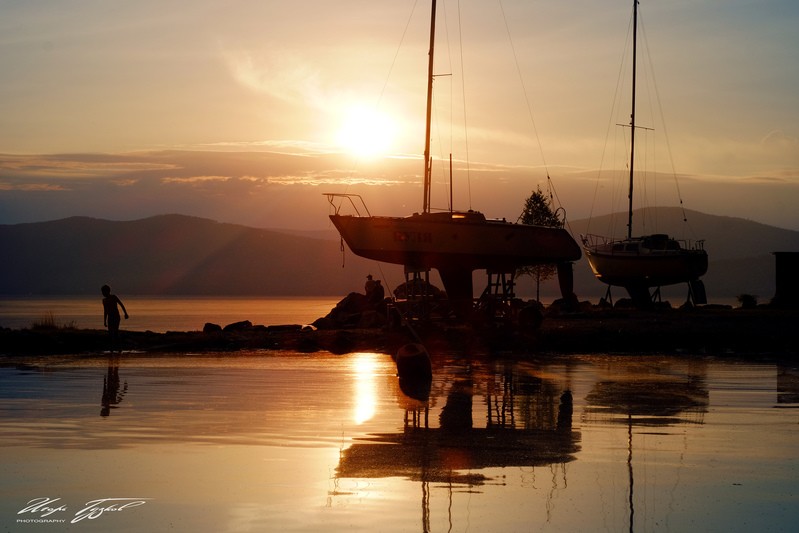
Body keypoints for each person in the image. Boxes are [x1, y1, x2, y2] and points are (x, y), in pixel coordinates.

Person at [101, 284, 128, 352]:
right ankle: (112, 349)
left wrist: (125, 313)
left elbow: (121, 304)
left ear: (108, 291)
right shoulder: (104, 300)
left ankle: (119, 348)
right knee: (110, 333)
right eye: (102, 292)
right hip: (110, 317)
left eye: (104, 292)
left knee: (115, 332)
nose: (103, 293)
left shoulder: (114, 297)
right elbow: (105, 311)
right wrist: (104, 321)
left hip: (116, 317)